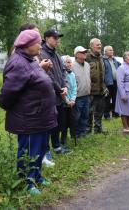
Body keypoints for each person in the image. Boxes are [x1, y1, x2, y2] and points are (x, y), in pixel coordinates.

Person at [0, 30, 56, 195]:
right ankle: (26, 183)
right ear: (29, 45)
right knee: (29, 151)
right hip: (29, 118)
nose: (40, 45)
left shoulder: (29, 60)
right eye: (38, 42)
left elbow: (32, 80)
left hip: (39, 117)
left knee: (40, 150)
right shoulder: (18, 63)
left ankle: (36, 177)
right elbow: (8, 94)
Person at [40, 29, 69, 162]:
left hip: (59, 94)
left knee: (57, 122)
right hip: (50, 94)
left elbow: (63, 71)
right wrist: (59, 88)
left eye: (58, 37)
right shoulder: (42, 53)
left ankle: (57, 146)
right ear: (46, 38)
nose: (57, 40)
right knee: (48, 124)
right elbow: (48, 75)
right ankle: (45, 151)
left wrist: (65, 86)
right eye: (54, 37)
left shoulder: (56, 54)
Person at [86, 38, 109, 134]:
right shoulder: (87, 57)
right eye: (97, 45)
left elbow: (102, 74)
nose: (100, 46)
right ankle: (88, 130)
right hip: (90, 90)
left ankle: (98, 129)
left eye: (100, 44)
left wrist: (105, 86)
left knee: (99, 111)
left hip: (101, 89)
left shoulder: (101, 57)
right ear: (91, 46)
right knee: (89, 112)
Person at [72, 46, 91, 138]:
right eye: (82, 52)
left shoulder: (87, 64)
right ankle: (75, 134)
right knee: (76, 117)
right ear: (76, 55)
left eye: (85, 52)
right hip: (77, 96)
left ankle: (82, 133)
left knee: (85, 116)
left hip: (87, 95)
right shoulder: (72, 66)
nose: (84, 54)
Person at [60, 55, 77, 147]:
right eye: (68, 62)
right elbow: (61, 89)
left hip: (72, 102)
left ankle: (73, 136)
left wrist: (73, 99)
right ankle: (62, 140)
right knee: (63, 122)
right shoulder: (62, 75)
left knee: (72, 120)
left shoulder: (72, 74)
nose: (70, 64)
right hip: (64, 102)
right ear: (63, 63)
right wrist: (67, 101)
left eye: (70, 62)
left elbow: (74, 87)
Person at [103, 46, 121, 119]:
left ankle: (115, 113)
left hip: (115, 82)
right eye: (110, 50)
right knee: (107, 100)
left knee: (115, 98)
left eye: (112, 50)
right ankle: (106, 115)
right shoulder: (103, 60)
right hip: (107, 82)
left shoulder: (115, 60)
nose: (112, 51)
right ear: (105, 52)